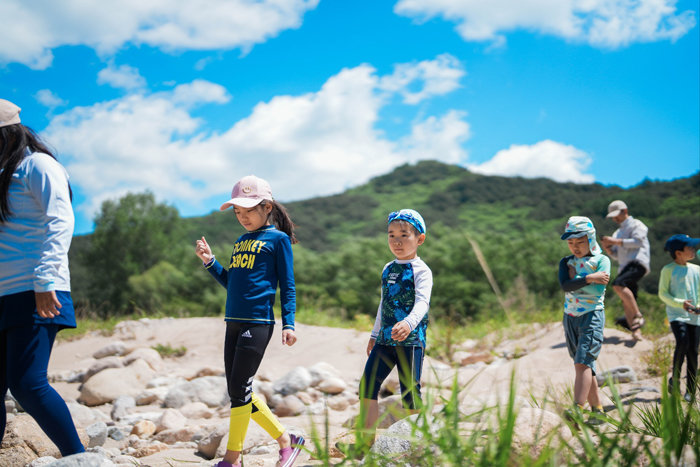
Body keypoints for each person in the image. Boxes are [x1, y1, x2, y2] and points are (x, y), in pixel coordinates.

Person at [195, 175, 304, 467]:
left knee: (240, 388)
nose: (242, 217)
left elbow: (288, 285)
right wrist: (210, 262)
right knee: (237, 390)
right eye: (238, 212)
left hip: (257, 323)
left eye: (248, 211)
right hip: (233, 322)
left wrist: (289, 323)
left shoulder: (278, 240)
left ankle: (232, 458)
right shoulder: (241, 241)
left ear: (267, 207)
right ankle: (286, 440)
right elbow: (232, 283)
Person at [0, 99, 84, 455]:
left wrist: (46, 280)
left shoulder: (38, 166)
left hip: (36, 289)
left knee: (27, 383)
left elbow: (60, 220)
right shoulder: (4, 174)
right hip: (5, 294)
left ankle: (80, 458)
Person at [359, 209, 433, 446]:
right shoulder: (388, 268)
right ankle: (365, 444)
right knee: (367, 386)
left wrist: (409, 323)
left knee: (410, 393)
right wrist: (374, 333)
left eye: (404, 235)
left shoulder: (422, 270)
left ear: (419, 239)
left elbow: (423, 302)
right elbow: (384, 302)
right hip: (385, 340)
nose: (397, 241)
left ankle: (416, 446)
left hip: (411, 342)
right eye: (391, 235)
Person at [558, 216, 610, 424]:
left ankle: (577, 409)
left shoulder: (601, 260)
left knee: (582, 363)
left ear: (590, 238)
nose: (575, 247)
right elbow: (565, 285)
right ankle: (597, 411)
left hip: (591, 315)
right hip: (570, 317)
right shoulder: (566, 262)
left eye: (579, 242)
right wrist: (588, 278)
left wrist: (576, 280)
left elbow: (599, 288)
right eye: (571, 243)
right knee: (583, 365)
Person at [658, 234, 700, 403]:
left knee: (693, 351)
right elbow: (663, 293)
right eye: (690, 248)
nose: (693, 250)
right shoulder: (667, 270)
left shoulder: (697, 270)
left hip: (694, 316)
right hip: (676, 315)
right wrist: (680, 303)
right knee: (683, 342)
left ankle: (691, 390)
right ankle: (674, 380)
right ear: (678, 253)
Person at [601, 200, 650, 341]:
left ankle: (638, 315)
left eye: (616, 215)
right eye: (613, 216)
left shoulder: (637, 225)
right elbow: (616, 255)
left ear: (625, 211)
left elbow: (638, 242)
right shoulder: (618, 232)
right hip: (625, 266)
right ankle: (636, 332)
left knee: (618, 284)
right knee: (627, 298)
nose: (615, 219)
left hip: (637, 262)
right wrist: (608, 247)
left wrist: (614, 241)